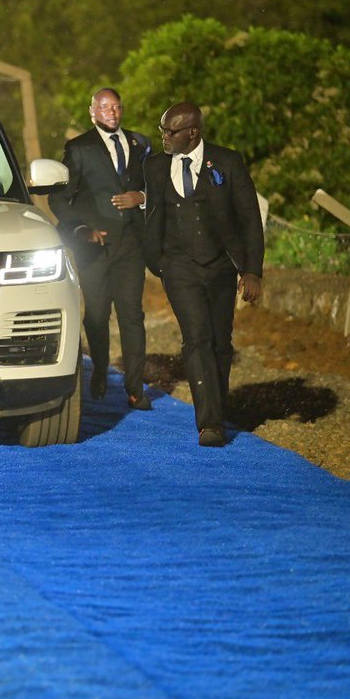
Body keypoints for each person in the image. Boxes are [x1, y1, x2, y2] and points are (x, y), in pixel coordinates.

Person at [143, 102, 264, 447]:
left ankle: (217, 406)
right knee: (196, 339)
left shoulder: (227, 162)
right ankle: (209, 423)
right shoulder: (154, 167)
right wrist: (158, 262)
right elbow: (152, 215)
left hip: (221, 266)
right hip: (178, 267)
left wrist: (252, 270)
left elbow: (249, 219)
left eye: (170, 131)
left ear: (192, 132)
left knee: (220, 343)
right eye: (162, 130)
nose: (164, 137)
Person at [49, 88, 152, 410]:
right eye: (105, 107)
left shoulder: (141, 144)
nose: (112, 112)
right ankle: (100, 374)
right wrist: (83, 230)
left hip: (131, 244)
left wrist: (143, 197)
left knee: (132, 315)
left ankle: (136, 389)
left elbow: (158, 184)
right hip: (95, 246)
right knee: (96, 316)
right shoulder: (79, 148)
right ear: (92, 111)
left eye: (117, 106)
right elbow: (59, 197)